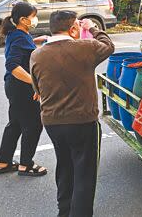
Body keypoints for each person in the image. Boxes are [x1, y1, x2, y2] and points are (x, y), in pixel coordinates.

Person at [30, 11, 114, 217]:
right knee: (84, 173)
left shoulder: (37, 54)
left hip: (52, 122)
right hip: (83, 121)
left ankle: (64, 211)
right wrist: (92, 27)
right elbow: (109, 46)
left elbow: (37, 88)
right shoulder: (86, 47)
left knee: (65, 166)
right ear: (73, 28)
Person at [0, 1, 49, 176]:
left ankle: (3, 162)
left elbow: (22, 49)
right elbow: (12, 64)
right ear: (24, 20)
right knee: (33, 125)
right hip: (22, 88)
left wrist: (35, 42)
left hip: (14, 87)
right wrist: (34, 83)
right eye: (33, 17)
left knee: (16, 124)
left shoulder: (17, 34)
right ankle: (26, 165)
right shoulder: (19, 36)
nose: (35, 20)